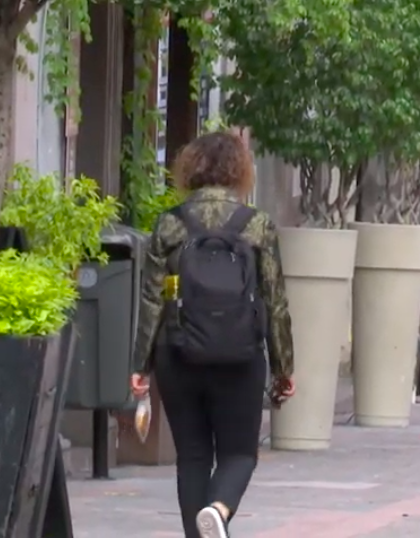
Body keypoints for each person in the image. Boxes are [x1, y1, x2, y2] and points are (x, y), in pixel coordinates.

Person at [130, 131, 296, 538]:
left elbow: (152, 299)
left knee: (192, 457)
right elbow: (275, 301)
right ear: (240, 171)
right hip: (240, 355)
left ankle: (203, 527)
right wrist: (283, 367)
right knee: (239, 454)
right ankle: (219, 510)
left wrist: (141, 365)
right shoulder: (256, 225)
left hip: (177, 352)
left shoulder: (170, 223)